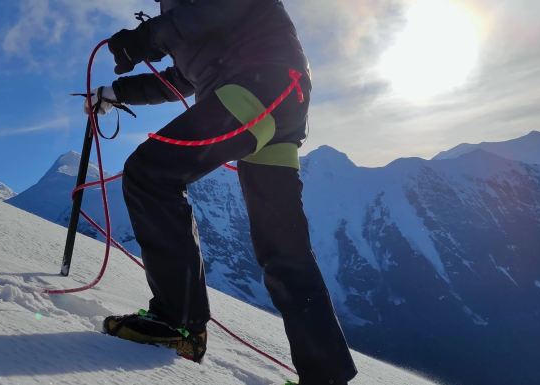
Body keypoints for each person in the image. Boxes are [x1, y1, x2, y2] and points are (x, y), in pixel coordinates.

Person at [85, 1, 357, 384]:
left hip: (258, 86)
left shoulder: (187, 15)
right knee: (282, 250)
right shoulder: (183, 19)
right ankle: (325, 376)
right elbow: (179, 78)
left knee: (150, 174)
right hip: (274, 96)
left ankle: (177, 324)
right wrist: (114, 92)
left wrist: (149, 36)